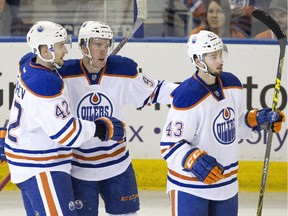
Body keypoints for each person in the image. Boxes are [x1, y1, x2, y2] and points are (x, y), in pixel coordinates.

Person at [52, 21, 178, 216]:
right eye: (97, 44)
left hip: (117, 165)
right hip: (79, 168)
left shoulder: (122, 70)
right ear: (83, 46)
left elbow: (155, 90)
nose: (103, 50)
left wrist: (189, 93)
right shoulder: (63, 74)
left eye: (106, 44)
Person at [4, 21, 125, 215]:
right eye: (60, 46)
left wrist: (10, 138)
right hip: (42, 166)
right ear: (45, 51)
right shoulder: (45, 83)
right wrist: (100, 128)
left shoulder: (27, 62)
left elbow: (28, 111)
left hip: (27, 160)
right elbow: (66, 134)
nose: (65, 51)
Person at [160, 30, 285, 215]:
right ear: (197, 60)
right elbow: (169, 146)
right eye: (213, 56)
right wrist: (193, 160)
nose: (220, 60)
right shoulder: (187, 95)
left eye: (220, 54)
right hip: (189, 188)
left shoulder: (232, 83)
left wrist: (257, 120)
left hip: (226, 185)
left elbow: (237, 126)